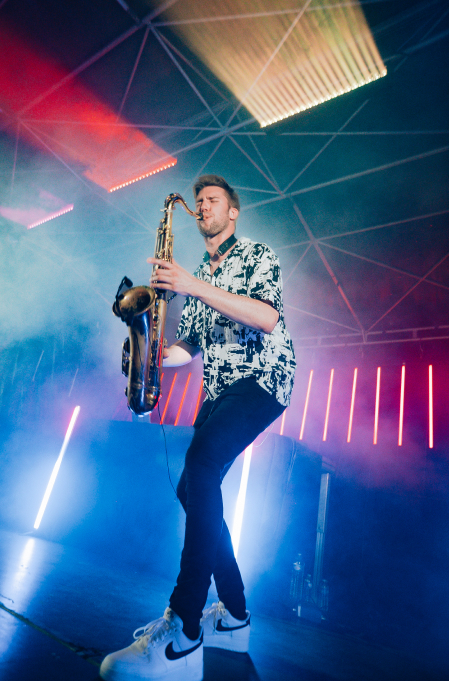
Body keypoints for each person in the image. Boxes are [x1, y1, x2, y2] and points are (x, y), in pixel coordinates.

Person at [100, 175, 295, 681]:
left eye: (212, 201)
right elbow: (190, 348)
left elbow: (266, 318)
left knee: (202, 468)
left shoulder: (256, 254)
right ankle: (233, 615)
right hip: (219, 390)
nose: (202, 207)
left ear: (233, 213)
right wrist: (151, 358)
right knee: (193, 487)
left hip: (263, 379)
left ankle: (184, 631)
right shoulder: (203, 271)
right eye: (200, 202)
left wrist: (189, 284)